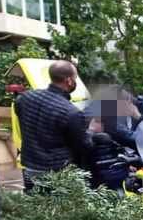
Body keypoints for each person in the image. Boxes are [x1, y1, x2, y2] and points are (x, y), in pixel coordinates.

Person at [15, 60, 100, 191]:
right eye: (75, 77)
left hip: (30, 172)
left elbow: (21, 114)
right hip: (58, 177)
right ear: (69, 81)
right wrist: (92, 130)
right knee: (59, 211)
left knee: (34, 208)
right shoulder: (71, 112)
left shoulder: (25, 98)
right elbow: (85, 146)